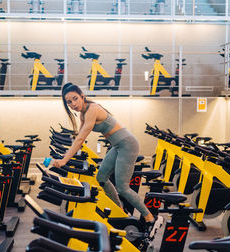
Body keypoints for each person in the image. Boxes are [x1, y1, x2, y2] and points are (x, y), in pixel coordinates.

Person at [53, 83, 158, 236]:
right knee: (101, 177)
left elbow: (81, 138)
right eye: (69, 102)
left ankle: (150, 218)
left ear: (82, 96)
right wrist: (65, 154)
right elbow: (78, 135)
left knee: (123, 187)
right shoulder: (83, 114)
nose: (73, 104)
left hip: (127, 144)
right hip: (117, 146)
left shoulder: (92, 110)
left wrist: (64, 160)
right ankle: (120, 211)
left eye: (75, 99)